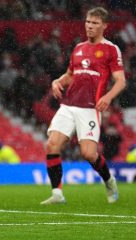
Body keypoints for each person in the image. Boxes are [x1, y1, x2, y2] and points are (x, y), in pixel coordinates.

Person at [41, 7, 126, 205]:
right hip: (69, 105)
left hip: (90, 108)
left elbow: (120, 80)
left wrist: (108, 97)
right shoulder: (78, 48)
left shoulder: (111, 49)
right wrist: (58, 81)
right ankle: (57, 194)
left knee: (88, 153)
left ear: (104, 26)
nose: (89, 26)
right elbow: (70, 75)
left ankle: (109, 180)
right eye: (88, 22)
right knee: (52, 144)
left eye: (95, 23)